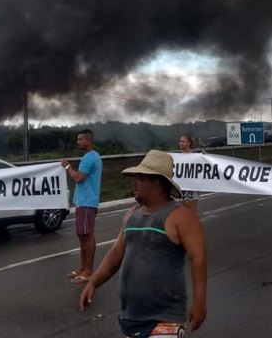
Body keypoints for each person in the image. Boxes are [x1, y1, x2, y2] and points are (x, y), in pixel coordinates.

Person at [79, 150, 207, 337]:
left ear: (155, 181)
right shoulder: (131, 214)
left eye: (140, 177)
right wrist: (93, 283)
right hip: (130, 319)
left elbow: (199, 258)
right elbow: (115, 256)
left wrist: (200, 301)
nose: (134, 182)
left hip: (164, 321)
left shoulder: (181, 216)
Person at [61, 129, 103, 284]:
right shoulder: (92, 157)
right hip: (84, 202)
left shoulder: (89, 158)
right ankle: (82, 267)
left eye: (80, 139)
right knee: (82, 235)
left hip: (87, 203)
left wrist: (67, 167)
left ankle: (88, 271)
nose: (77, 142)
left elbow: (78, 178)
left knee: (87, 235)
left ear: (87, 140)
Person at [177, 133, 200, 212]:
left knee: (190, 213)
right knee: (181, 213)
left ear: (189, 143)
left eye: (183, 141)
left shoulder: (196, 156)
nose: (180, 143)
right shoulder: (177, 157)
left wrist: (205, 157)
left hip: (191, 188)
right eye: (180, 141)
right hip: (181, 189)